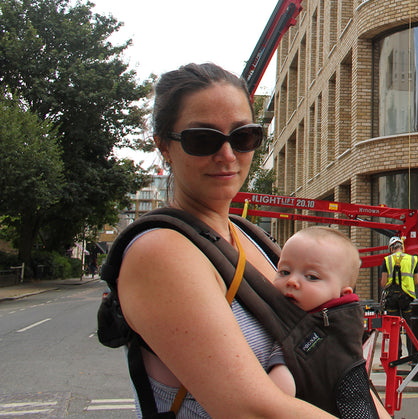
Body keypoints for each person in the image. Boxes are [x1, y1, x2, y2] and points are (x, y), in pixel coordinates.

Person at [116, 62, 336, 418]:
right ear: (164, 146)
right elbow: (251, 410)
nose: (228, 155)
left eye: (243, 136)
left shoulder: (252, 236)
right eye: (203, 139)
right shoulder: (160, 251)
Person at [268, 227, 362, 396]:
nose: (292, 281)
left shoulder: (300, 333)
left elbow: (276, 396)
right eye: (284, 272)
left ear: (342, 294)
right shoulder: (344, 327)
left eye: (311, 277)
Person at [380, 236, 418, 320]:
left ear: (391, 249)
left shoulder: (387, 260)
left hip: (392, 297)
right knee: (409, 325)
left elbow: (383, 283)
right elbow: (416, 281)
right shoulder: (412, 259)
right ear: (402, 247)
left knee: (393, 324)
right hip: (407, 296)